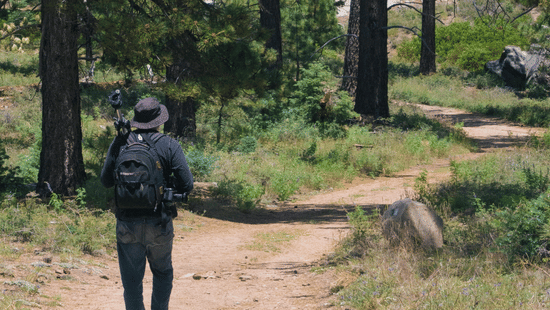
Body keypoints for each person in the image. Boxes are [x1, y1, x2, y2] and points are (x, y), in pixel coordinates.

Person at [101, 97, 194, 310]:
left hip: (127, 224)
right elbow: (187, 184)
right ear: (159, 120)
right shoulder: (169, 144)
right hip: (159, 221)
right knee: (162, 273)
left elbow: (106, 181)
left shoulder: (121, 142)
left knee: (132, 283)